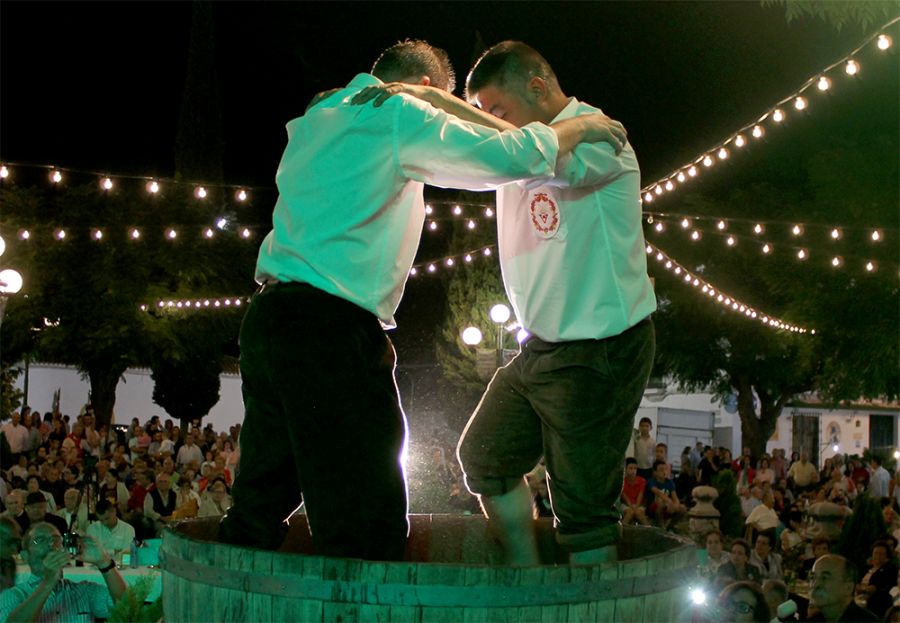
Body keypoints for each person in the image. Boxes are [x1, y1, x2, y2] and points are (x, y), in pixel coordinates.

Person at [218, 39, 627, 561]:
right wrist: (578, 128)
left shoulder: (320, 112)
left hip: (268, 319)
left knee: (260, 496)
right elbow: (508, 158)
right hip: (330, 328)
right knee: (365, 512)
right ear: (428, 91)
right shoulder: (397, 112)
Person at [367, 39, 653, 566]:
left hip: (599, 347)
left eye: (496, 111)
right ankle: (528, 576)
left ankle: (588, 606)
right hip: (540, 347)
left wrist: (455, 108)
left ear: (538, 87)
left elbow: (544, 158)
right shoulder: (529, 140)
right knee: (483, 458)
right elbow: (501, 148)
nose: (489, 125)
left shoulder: (601, 135)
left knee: (583, 511)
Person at [0, 522, 127, 621]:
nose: (51, 543)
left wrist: (104, 563)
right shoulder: (13, 595)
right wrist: (48, 582)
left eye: (56, 539)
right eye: (39, 540)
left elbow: (127, 608)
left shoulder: (84, 591)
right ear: (25, 555)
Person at [807, 554, 880, 621]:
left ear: (848, 588)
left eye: (824, 578)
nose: (815, 584)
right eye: (813, 577)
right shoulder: (816, 618)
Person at [856, 540, 898, 618]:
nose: (877, 556)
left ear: (887, 557)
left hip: (875, 599)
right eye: (875, 553)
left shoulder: (889, 569)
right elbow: (856, 581)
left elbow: (884, 586)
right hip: (858, 595)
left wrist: (867, 589)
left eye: (881, 554)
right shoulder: (865, 568)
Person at [646, 459, 686, 530]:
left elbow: (675, 497)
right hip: (654, 507)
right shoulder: (651, 481)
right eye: (661, 470)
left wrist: (675, 506)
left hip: (667, 506)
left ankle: (669, 526)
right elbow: (658, 492)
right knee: (660, 501)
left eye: (665, 469)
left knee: (682, 508)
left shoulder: (669, 482)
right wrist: (669, 502)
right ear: (655, 472)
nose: (664, 472)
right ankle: (660, 527)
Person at [620, 457, 650, 527]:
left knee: (638, 512)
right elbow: (624, 496)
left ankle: (649, 528)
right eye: (631, 468)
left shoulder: (642, 480)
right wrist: (631, 506)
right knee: (630, 512)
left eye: (635, 468)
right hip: (626, 505)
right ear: (625, 469)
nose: (633, 471)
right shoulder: (622, 481)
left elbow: (641, 494)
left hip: (639, 505)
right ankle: (622, 529)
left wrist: (636, 506)